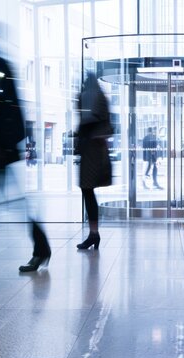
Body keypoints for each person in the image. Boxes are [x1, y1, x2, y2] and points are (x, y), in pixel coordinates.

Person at [0, 17, 50, 273]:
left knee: (16, 203)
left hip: (3, 150)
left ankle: (41, 249)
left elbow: (6, 110)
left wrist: (0, 146)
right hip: (1, 149)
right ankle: (41, 249)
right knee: (14, 203)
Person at [76, 72, 113, 250]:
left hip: (91, 151)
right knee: (88, 192)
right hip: (96, 151)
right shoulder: (100, 97)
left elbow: (87, 121)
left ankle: (94, 234)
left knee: (87, 191)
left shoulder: (90, 97)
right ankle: (93, 233)